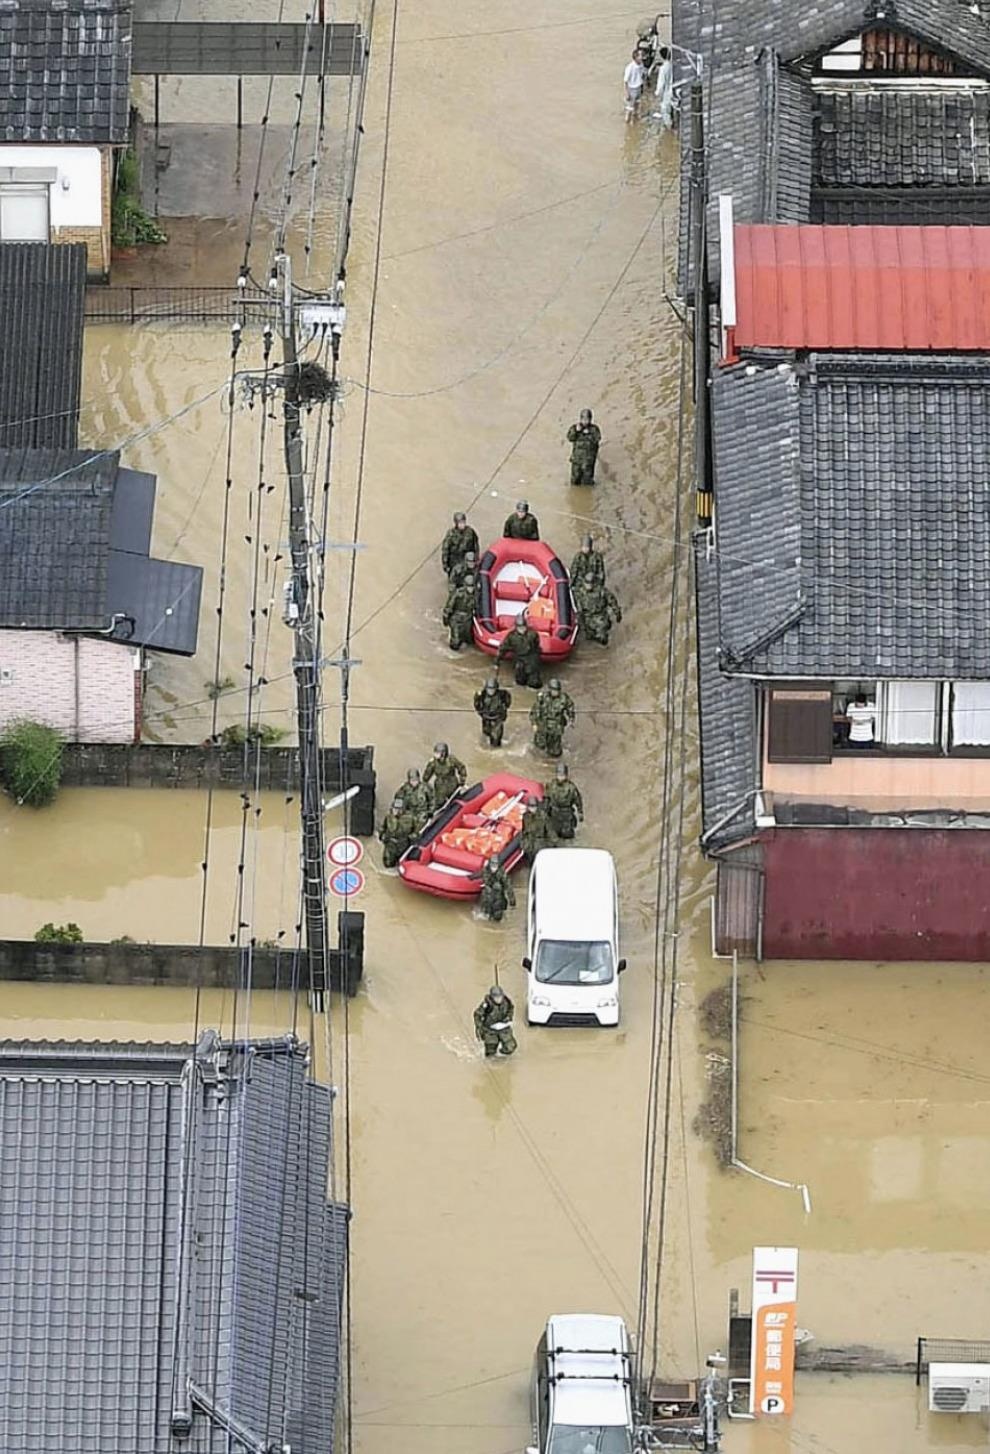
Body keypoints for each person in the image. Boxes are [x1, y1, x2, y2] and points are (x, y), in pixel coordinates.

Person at [530, 678, 575, 758]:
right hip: (543, 726)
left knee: (555, 752)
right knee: (539, 748)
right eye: (554, 690)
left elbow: (570, 708)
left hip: (556, 728)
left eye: (557, 690)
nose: (556, 692)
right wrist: (534, 723)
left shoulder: (564, 698)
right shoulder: (543, 697)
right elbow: (535, 710)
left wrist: (571, 719)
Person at [495, 613, 543, 688]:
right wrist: (497, 660)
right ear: (516, 627)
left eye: (523, 627)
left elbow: (537, 644)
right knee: (520, 681)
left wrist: (536, 657)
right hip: (519, 659)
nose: (522, 629)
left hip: (531, 658)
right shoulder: (511, 636)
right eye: (520, 627)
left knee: (534, 683)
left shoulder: (532, 634)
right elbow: (503, 648)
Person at [474, 983, 517, 1057]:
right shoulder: (487, 1004)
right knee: (490, 1052)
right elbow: (477, 1015)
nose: (499, 999)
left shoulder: (507, 1001)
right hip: (490, 1030)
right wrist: (479, 1028)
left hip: (503, 1027)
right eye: (496, 997)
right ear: (492, 997)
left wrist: (509, 1018)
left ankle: (501, 1052)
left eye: (500, 997)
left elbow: (511, 1008)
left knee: (511, 1047)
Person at [544, 763, 583, 840]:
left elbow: (578, 800)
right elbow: (546, 798)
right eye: (559, 775)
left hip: (566, 815)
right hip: (554, 814)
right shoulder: (551, 785)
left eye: (562, 775)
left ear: (566, 775)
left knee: (568, 835)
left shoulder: (571, 787)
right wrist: (545, 810)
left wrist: (580, 812)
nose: (560, 777)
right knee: (553, 834)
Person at [423, 741, 467, 806]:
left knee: (456, 801)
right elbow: (426, 777)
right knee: (439, 804)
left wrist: (462, 780)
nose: (436, 755)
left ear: (443, 753)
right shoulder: (433, 763)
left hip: (452, 784)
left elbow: (461, 768)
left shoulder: (451, 759)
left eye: (438, 753)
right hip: (440, 787)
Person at [379, 796, 418, 868]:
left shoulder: (410, 818)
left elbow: (416, 831)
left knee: (402, 863)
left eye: (397, 809)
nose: (395, 811)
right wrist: (382, 836)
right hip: (390, 843)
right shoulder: (389, 816)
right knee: (387, 863)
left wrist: (411, 839)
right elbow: (383, 826)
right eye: (394, 808)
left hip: (403, 843)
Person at [474, 674, 512, 747]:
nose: (491, 691)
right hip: (486, 718)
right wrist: (477, 698)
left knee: (495, 739)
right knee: (486, 734)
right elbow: (477, 706)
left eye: (493, 689)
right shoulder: (482, 695)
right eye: (489, 689)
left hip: (497, 718)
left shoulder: (502, 694)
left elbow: (508, 703)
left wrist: (503, 709)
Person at [566, 410, 602, 486]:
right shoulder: (575, 428)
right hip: (577, 461)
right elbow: (570, 438)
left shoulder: (594, 429)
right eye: (583, 419)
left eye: (587, 419)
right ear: (580, 419)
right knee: (575, 481)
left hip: (588, 462)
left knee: (587, 482)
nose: (585, 421)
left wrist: (588, 433)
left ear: (590, 419)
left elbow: (597, 439)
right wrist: (576, 431)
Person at [442, 575, 476, 651]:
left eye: (472, 586)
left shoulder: (476, 594)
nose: (470, 589)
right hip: (456, 619)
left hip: (468, 619)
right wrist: (445, 618)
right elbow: (449, 606)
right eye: (469, 586)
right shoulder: (458, 593)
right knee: (455, 642)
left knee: (469, 641)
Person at [441, 511, 480, 577]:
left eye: (463, 522)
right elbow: (445, 550)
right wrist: (445, 564)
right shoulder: (451, 534)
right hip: (454, 561)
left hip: (467, 559)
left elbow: (475, 545)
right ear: (456, 523)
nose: (462, 525)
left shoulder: (470, 532)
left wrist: (476, 558)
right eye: (460, 523)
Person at [520, 793, 555, 863]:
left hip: (540, 842)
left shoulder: (543, 816)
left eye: (533, 806)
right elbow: (524, 829)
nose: (532, 809)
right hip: (529, 843)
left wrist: (552, 844)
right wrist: (523, 842)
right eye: (530, 806)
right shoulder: (526, 816)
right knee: (530, 861)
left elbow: (550, 831)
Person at [479, 857, 516, 922]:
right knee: (485, 912)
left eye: (495, 866)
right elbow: (485, 880)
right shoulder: (485, 870)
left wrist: (512, 901)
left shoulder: (502, 874)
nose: (494, 868)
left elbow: (508, 887)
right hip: (488, 895)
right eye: (492, 865)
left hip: (498, 896)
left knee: (497, 916)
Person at [652, 45, 675, 128]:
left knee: (665, 113)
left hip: (666, 94)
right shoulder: (672, 65)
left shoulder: (663, 69)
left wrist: (657, 93)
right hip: (673, 91)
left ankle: (669, 131)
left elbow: (661, 83)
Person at [624, 49, 646, 124]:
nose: (642, 57)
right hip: (632, 88)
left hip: (639, 87)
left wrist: (642, 86)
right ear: (636, 57)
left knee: (637, 104)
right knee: (630, 107)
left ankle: (634, 120)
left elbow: (642, 75)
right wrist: (627, 93)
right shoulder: (630, 67)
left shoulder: (641, 65)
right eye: (640, 56)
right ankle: (628, 121)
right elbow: (626, 81)